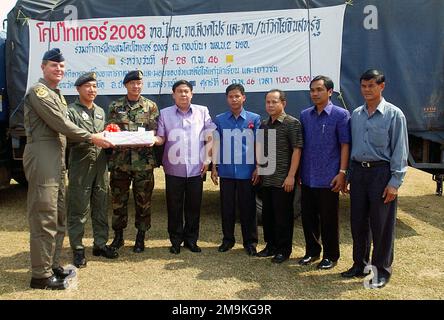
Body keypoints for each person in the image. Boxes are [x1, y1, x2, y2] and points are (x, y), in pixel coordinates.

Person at [23, 48, 112, 290]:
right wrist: (92, 137)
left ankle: (52, 265)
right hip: (42, 156)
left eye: (61, 67)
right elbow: (61, 124)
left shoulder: (57, 95)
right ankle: (40, 275)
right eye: (54, 66)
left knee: (59, 214)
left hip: (57, 158)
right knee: (44, 215)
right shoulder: (39, 92)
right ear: (43, 67)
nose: (58, 70)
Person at [341, 69, 409, 288]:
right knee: (358, 223)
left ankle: (381, 271)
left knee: (382, 225)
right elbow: (353, 148)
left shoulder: (394, 114)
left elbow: (400, 150)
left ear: (382, 86)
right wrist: (349, 176)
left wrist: (395, 183)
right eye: (363, 86)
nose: (367, 90)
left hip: (381, 173)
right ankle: (359, 264)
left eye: (371, 85)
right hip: (359, 173)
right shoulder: (357, 114)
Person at [155, 80, 215, 254]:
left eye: (186, 91)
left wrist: (208, 159)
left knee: (194, 206)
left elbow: (210, 136)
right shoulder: (165, 114)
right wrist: (147, 139)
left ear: (192, 94)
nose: (183, 94)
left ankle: (191, 240)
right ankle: (175, 241)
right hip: (174, 169)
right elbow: (161, 138)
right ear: (173, 94)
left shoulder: (202, 112)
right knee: (173, 206)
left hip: (197, 169)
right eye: (179, 91)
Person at [66, 72, 119, 268]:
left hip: (100, 165)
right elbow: (69, 136)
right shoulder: (70, 111)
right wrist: (92, 136)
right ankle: (78, 249)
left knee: (101, 206)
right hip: (81, 165)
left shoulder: (99, 111)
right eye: (87, 86)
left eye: (95, 86)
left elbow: (102, 136)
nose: (92, 90)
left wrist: (111, 136)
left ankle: (100, 244)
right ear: (78, 89)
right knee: (78, 209)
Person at [299, 75, 350, 270]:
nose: (315, 93)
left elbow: (345, 145)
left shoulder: (341, 115)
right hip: (308, 175)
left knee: (329, 220)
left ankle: (331, 256)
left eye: (319, 89)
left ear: (330, 92)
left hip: (330, 177)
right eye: (312, 90)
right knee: (308, 218)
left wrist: (342, 172)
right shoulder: (305, 115)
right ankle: (312, 252)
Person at [107, 70, 159, 253]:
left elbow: (154, 131)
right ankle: (118, 237)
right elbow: (110, 130)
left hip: (142, 163)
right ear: (126, 85)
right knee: (118, 201)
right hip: (120, 162)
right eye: (132, 83)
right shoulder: (115, 106)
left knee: (143, 201)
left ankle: (140, 237)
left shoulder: (150, 106)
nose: (136, 86)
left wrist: (149, 137)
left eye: (139, 83)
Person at [211, 84, 260, 256]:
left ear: (243, 98)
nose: (234, 99)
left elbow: (259, 145)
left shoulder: (254, 119)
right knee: (227, 208)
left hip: (247, 172)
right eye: (231, 96)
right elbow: (215, 143)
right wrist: (214, 167)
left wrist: (259, 167)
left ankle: (250, 242)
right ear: (227, 99)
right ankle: (228, 240)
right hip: (226, 172)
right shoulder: (220, 119)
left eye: (237, 96)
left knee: (248, 208)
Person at [257, 89, 303, 263]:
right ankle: (270, 246)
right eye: (268, 102)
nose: (270, 105)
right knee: (268, 216)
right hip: (266, 178)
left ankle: (284, 250)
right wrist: (258, 169)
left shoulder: (292, 123)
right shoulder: (264, 124)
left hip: (284, 180)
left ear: (283, 103)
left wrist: (291, 176)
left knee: (283, 217)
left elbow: (297, 150)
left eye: (274, 102)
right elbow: (261, 148)